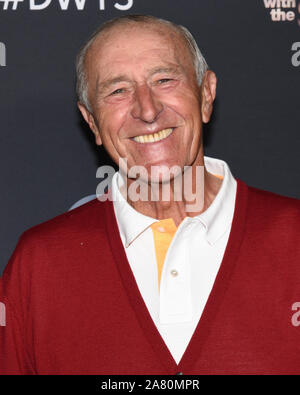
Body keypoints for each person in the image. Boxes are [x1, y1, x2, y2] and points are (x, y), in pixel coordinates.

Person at [1, 14, 300, 375]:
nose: (147, 109)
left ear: (206, 95)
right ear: (92, 122)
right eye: (117, 91)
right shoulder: (40, 264)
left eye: (164, 80)